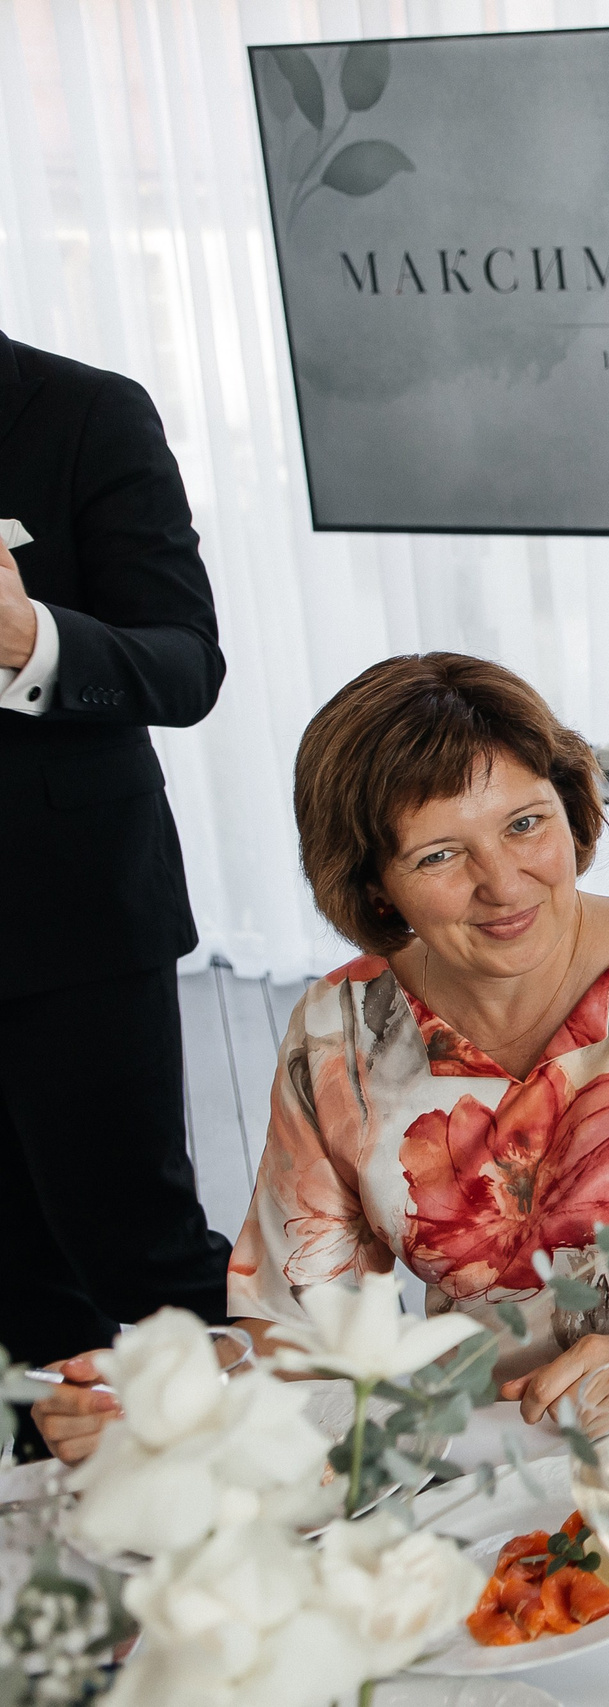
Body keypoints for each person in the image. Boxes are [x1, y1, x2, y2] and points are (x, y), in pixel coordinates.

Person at [34, 654, 609, 1461]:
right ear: (375, 883)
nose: (504, 881)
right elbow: (298, 1327)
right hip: (495, 1457)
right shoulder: (340, 1032)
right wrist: (171, 1391)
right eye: (441, 853)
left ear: (568, 806)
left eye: (525, 823)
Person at [0, 329, 234, 1414]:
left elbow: (186, 663)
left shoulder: (84, 410)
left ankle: (250, 1499)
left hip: (68, 917)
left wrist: (29, 639)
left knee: (140, 1256)